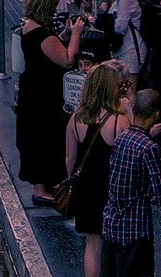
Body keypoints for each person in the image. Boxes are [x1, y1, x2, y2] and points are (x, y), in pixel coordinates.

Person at [17, 0, 86, 204]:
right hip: (45, 94)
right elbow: (67, 59)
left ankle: (42, 184)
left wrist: (63, 34)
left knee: (34, 137)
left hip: (31, 90)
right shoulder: (43, 35)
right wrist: (75, 34)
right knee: (46, 137)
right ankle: (42, 189)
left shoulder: (28, 28)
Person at [66, 62, 132, 277]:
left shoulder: (76, 119)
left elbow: (70, 159)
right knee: (115, 244)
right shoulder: (120, 122)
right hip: (111, 188)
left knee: (92, 244)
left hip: (86, 187)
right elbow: (130, 156)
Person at [102, 89, 161, 277]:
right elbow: (159, 196)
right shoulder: (149, 148)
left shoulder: (121, 139)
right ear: (155, 114)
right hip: (135, 232)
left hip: (111, 226)